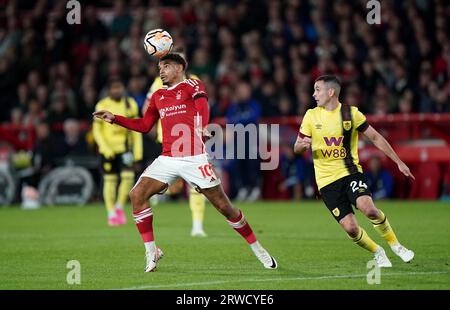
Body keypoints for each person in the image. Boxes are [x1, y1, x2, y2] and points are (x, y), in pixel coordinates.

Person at [93, 53, 277, 272]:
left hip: (193, 157)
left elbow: (202, 106)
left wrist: (203, 126)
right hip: (168, 157)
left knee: (224, 207)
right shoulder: (158, 96)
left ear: (180, 68)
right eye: (160, 67)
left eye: (167, 66)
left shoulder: (192, 84)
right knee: (137, 195)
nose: (161, 70)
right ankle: (152, 252)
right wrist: (115, 119)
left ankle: (258, 249)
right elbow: (144, 125)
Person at [294, 75, 415, 267]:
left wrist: (399, 162)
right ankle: (378, 251)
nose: (313, 94)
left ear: (331, 92)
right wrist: (302, 145)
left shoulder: (351, 114)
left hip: (350, 173)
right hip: (326, 182)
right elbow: (296, 148)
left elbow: (375, 137)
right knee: (350, 228)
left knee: (369, 209)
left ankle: (396, 246)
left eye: (317, 89)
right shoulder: (311, 115)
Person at [144, 66, 208, 237]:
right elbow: (147, 107)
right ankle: (158, 192)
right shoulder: (159, 82)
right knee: (171, 184)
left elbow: (202, 105)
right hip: (166, 140)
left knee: (197, 185)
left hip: (191, 139)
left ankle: (197, 225)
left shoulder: (194, 81)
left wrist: (202, 126)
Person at [93, 78, 143, 226]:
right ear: (109, 90)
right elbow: (97, 130)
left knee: (128, 178)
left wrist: (138, 152)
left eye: (119, 88)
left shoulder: (130, 104)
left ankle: (119, 207)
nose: (116, 91)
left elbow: (136, 129)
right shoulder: (102, 105)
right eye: (113, 88)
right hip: (108, 149)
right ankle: (111, 213)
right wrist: (104, 147)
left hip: (125, 148)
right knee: (110, 180)